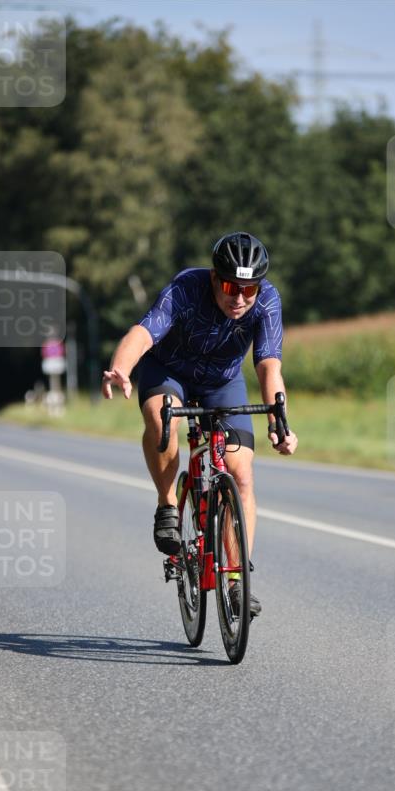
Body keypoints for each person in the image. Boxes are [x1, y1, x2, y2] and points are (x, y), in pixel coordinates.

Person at [102, 231, 298, 618]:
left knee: (241, 475)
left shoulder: (268, 302)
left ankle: (237, 580)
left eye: (248, 289)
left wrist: (280, 420)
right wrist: (121, 369)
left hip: (222, 382)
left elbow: (268, 365)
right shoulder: (185, 289)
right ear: (213, 277)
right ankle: (168, 504)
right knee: (163, 419)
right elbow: (143, 334)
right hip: (169, 370)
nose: (239, 298)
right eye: (229, 286)